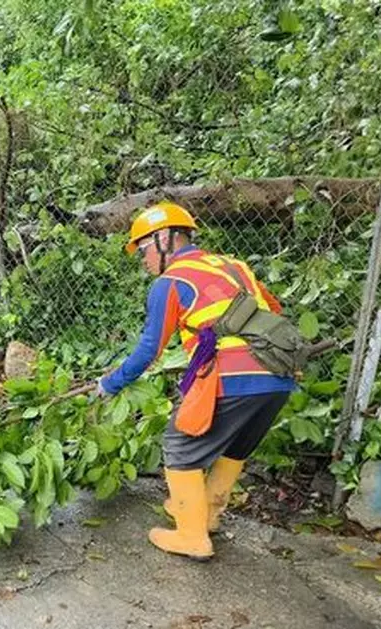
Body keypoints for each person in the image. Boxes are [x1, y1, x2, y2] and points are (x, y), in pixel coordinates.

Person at [97, 201, 296, 560]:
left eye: (142, 249)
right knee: (236, 444)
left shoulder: (170, 282)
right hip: (278, 374)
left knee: (179, 444)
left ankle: (191, 536)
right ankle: (209, 515)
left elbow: (148, 351)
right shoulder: (235, 266)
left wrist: (110, 383)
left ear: (163, 238)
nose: (142, 260)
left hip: (232, 376)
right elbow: (273, 310)